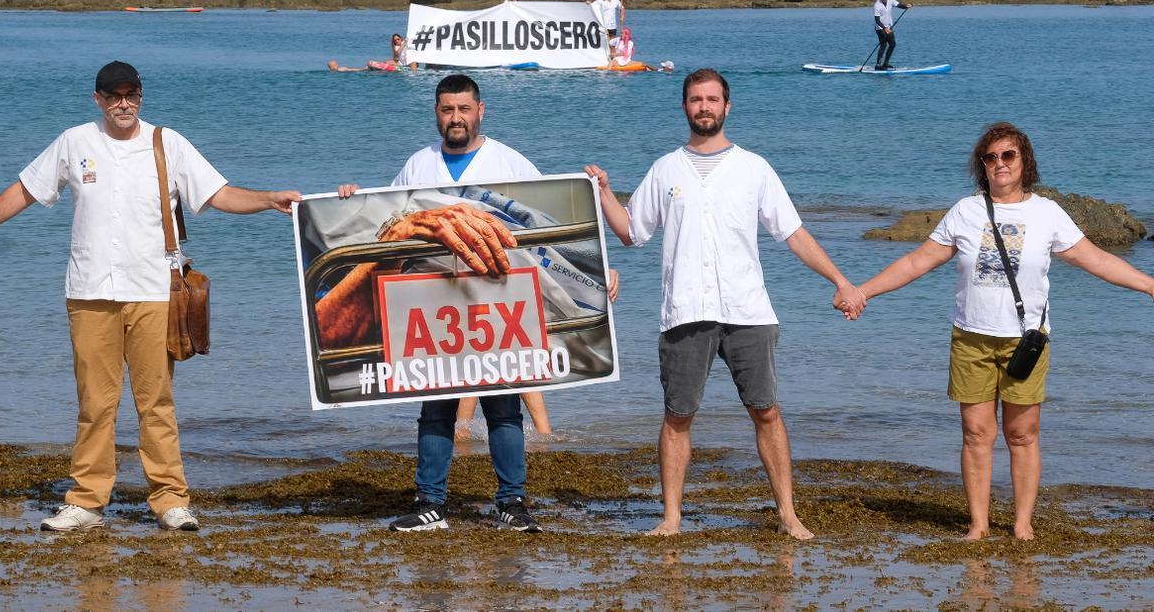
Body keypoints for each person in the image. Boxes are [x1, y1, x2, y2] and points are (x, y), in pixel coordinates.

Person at [0, 61, 301, 532]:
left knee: (155, 400)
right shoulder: (75, 142)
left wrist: (269, 199)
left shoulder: (167, 143)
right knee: (95, 403)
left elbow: (217, 194)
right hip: (89, 291)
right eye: (114, 95)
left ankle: (171, 500)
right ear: (96, 99)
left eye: (131, 94)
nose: (124, 103)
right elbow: (25, 190)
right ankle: (86, 502)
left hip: (155, 291)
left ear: (141, 96)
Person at [326, 74, 618, 532]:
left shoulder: (510, 161)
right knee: (435, 405)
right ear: (437, 113)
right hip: (432, 302)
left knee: (503, 405)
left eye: (464, 109)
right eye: (447, 109)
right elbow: (385, 220)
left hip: (496, 299)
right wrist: (347, 200)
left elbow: (548, 231)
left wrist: (599, 271)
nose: (456, 118)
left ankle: (511, 503)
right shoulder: (418, 165)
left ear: (482, 111)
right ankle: (431, 504)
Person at [586, 68, 865, 538]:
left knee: (767, 411)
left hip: (748, 310)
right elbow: (633, 232)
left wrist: (840, 279)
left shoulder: (754, 168)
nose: (704, 107)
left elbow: (792, 233)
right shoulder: (665, 169)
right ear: (684, 107)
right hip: (684, 311)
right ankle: (672, 518)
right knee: (677, 417)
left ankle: (788, 515)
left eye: (712, 99)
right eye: (696, 99)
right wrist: (605, 193)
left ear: (727, 106)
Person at [849, 122, 1154, 541]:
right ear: (982, 165)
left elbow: (1095, 259)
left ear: (1024, 160)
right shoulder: (965, 211)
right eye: (990, 157)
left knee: (1022, 434)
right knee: (976, 434)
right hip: (971, 337)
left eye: (1008, 155)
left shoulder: (1046, 213)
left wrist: (1148, 284)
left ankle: (1022, 525)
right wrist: (863, 291)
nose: (999, 164)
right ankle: (977, 525)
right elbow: (918, 262)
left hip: (1025, 340)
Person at [328, 33, 417, 73]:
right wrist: (403, 43)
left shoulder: (407, 42)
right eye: (395, 40)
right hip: (401, 63)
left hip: (408, 62)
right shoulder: (397, 46)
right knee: (386, 62)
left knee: (413, 61)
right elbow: (397, 54)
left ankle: (414, 73)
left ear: (401, 38)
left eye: (398, 39)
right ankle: (385, 70)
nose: (397, 41)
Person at [873, 0, 913, 71]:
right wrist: (885, 28)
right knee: (883, 45)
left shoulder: (891, 1)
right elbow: (877, 20)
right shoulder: (877, 5)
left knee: (892, 44)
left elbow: (900, 5)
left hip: (889, 27)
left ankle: (885, 63)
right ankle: (878, 64)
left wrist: (906, 6)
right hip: (880, 28)